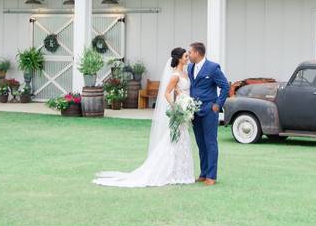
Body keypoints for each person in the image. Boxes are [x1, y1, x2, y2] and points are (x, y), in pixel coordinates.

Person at [93, 47, 195, 188]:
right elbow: (167, 93)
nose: (187, 58)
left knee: (183, 138)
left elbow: (183, 90)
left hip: (186, 108)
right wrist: (176, 107)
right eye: (185, 56)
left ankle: (181, 171)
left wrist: (188, 104)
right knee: (175, 138)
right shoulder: (175, 75)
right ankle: (168, 170)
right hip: (179, 109)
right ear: (178, 58)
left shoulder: (185, 73)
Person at [186, 42, 230, 185]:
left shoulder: (213, 67)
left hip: (209, 111)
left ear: (197, 53)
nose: (188, 55)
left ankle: (212, 176)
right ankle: (203, 173)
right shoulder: (190, 67)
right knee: (200, 143)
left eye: (190, 52)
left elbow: (225, 86)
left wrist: (218, 104)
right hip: (194, 112)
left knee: (210, 142)